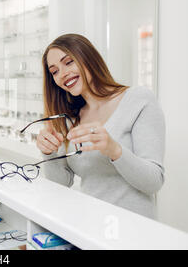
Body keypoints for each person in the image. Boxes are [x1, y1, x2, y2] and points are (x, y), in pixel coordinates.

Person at [36, 33, 165, 219]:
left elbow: (154, 181)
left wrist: (114, 150)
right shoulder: (71, 118)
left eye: (69, 62)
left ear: (87, 57)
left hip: (134, 232)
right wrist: (49, 152)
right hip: (90, 226)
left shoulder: (138, 100)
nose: (62, 74)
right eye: (54, 71)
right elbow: (61, 184)